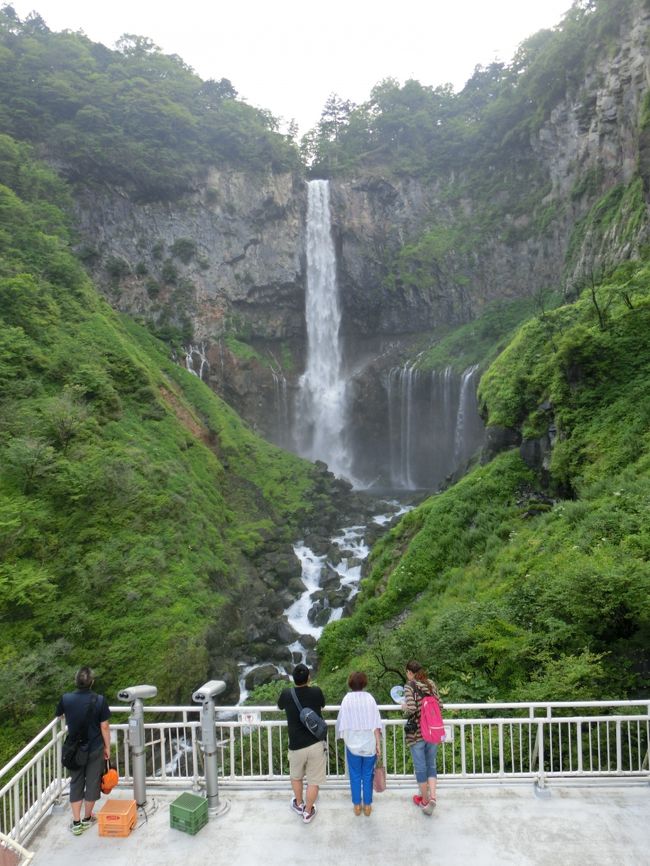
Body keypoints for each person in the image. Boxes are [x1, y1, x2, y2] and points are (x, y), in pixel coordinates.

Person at [56, 666, 111, 836]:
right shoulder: (100, 700)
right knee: (93, 782)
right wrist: (107, 747)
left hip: (74, 749)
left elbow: (59, 716)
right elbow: (105, 726)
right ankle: (88, 818)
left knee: (76, 782)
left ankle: (76, 822)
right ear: (92, 682)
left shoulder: (66, 699)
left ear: (76, 682)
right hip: (94, 748)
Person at [277, 663, 327, 824]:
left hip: (296, 745)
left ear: (292, 678)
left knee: (296, 777)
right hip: (315, 744)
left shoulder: (286, 693)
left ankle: (299, 804)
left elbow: (279, 706)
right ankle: (308, 811)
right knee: (313, 781)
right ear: (309, 678)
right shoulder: (316, 692)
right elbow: (322, 705)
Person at [335, 671, 382, 816]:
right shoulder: (370, 699)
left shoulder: (346, 699)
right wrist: (378, 745)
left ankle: (357, 805)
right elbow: (376, 724)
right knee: (368, 775)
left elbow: (341, 723)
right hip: (369, 745)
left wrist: (346, 738)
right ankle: (367, 806)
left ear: (350, 683)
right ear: (364, 683)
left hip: (352, 745)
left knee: (355, 775)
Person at [402, 659, 440, 816]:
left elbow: (411, 708)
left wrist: (404, 706)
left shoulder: (409, 686)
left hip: (417, 734)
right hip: (432, 732)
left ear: (410, 672)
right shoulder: (430, 683)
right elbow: (440, 704)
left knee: (420, 768)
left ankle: (424, 800)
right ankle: (433, 797)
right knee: (431, 765)